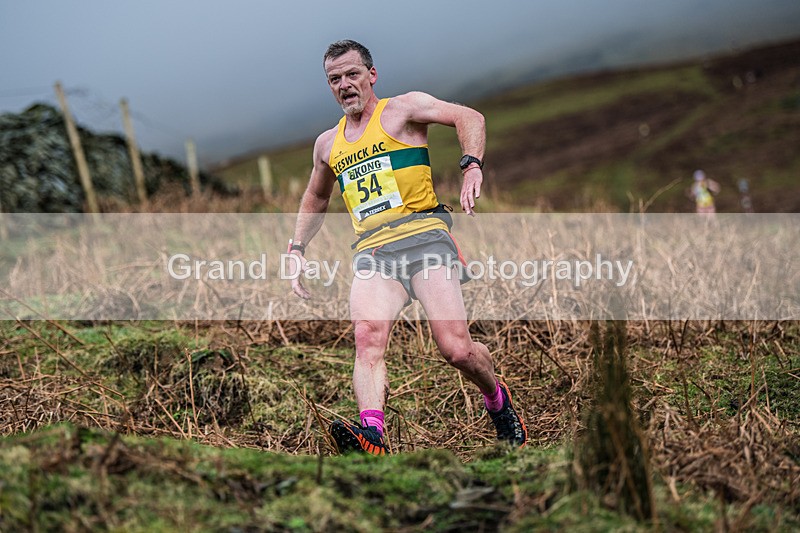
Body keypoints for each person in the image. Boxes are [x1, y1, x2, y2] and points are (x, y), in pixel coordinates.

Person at [286, 40, 527, 455]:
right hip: (374, 253)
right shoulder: (327, 144)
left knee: (456, 349)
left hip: (425, 239)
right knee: (367, 336)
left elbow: (469, 116)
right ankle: (373, 437)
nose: (344, 85)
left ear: (371, 75)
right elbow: (316, 197)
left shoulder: (401, 110)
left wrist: (471, 165)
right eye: (334, 79)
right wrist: (296, 248)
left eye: (352, 74)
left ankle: (497, 400)